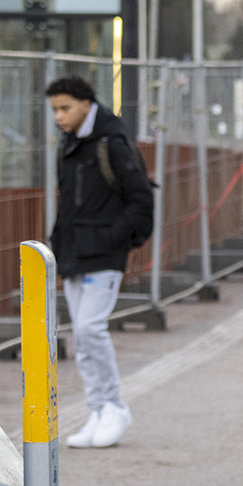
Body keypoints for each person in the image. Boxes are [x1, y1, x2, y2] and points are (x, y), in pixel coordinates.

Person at [45, 75, 154, 448]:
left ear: (86, 104)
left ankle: (115, 408)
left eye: (65, 108)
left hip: (103, 254)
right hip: (75, 252)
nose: (59, 116)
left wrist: (113, 239)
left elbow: (141, 199)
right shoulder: (71, 144)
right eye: (54, 109)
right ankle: (99, 410)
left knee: (91, 329)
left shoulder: (112, 143)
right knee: (81, 335)